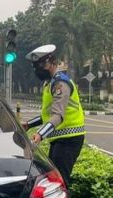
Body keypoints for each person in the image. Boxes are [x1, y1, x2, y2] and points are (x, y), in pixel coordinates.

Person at [23, 44, 85, 188]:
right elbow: (48, 115)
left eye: (40, 66)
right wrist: (29, 124)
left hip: (69, 139)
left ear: (51, 62)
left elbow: (58, 116)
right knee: (53, 179)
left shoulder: (60, 83)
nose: (37, 70)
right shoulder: (50, 83)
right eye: (35, 67)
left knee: (60, 183)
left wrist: (40, 135)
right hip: (60, 140)